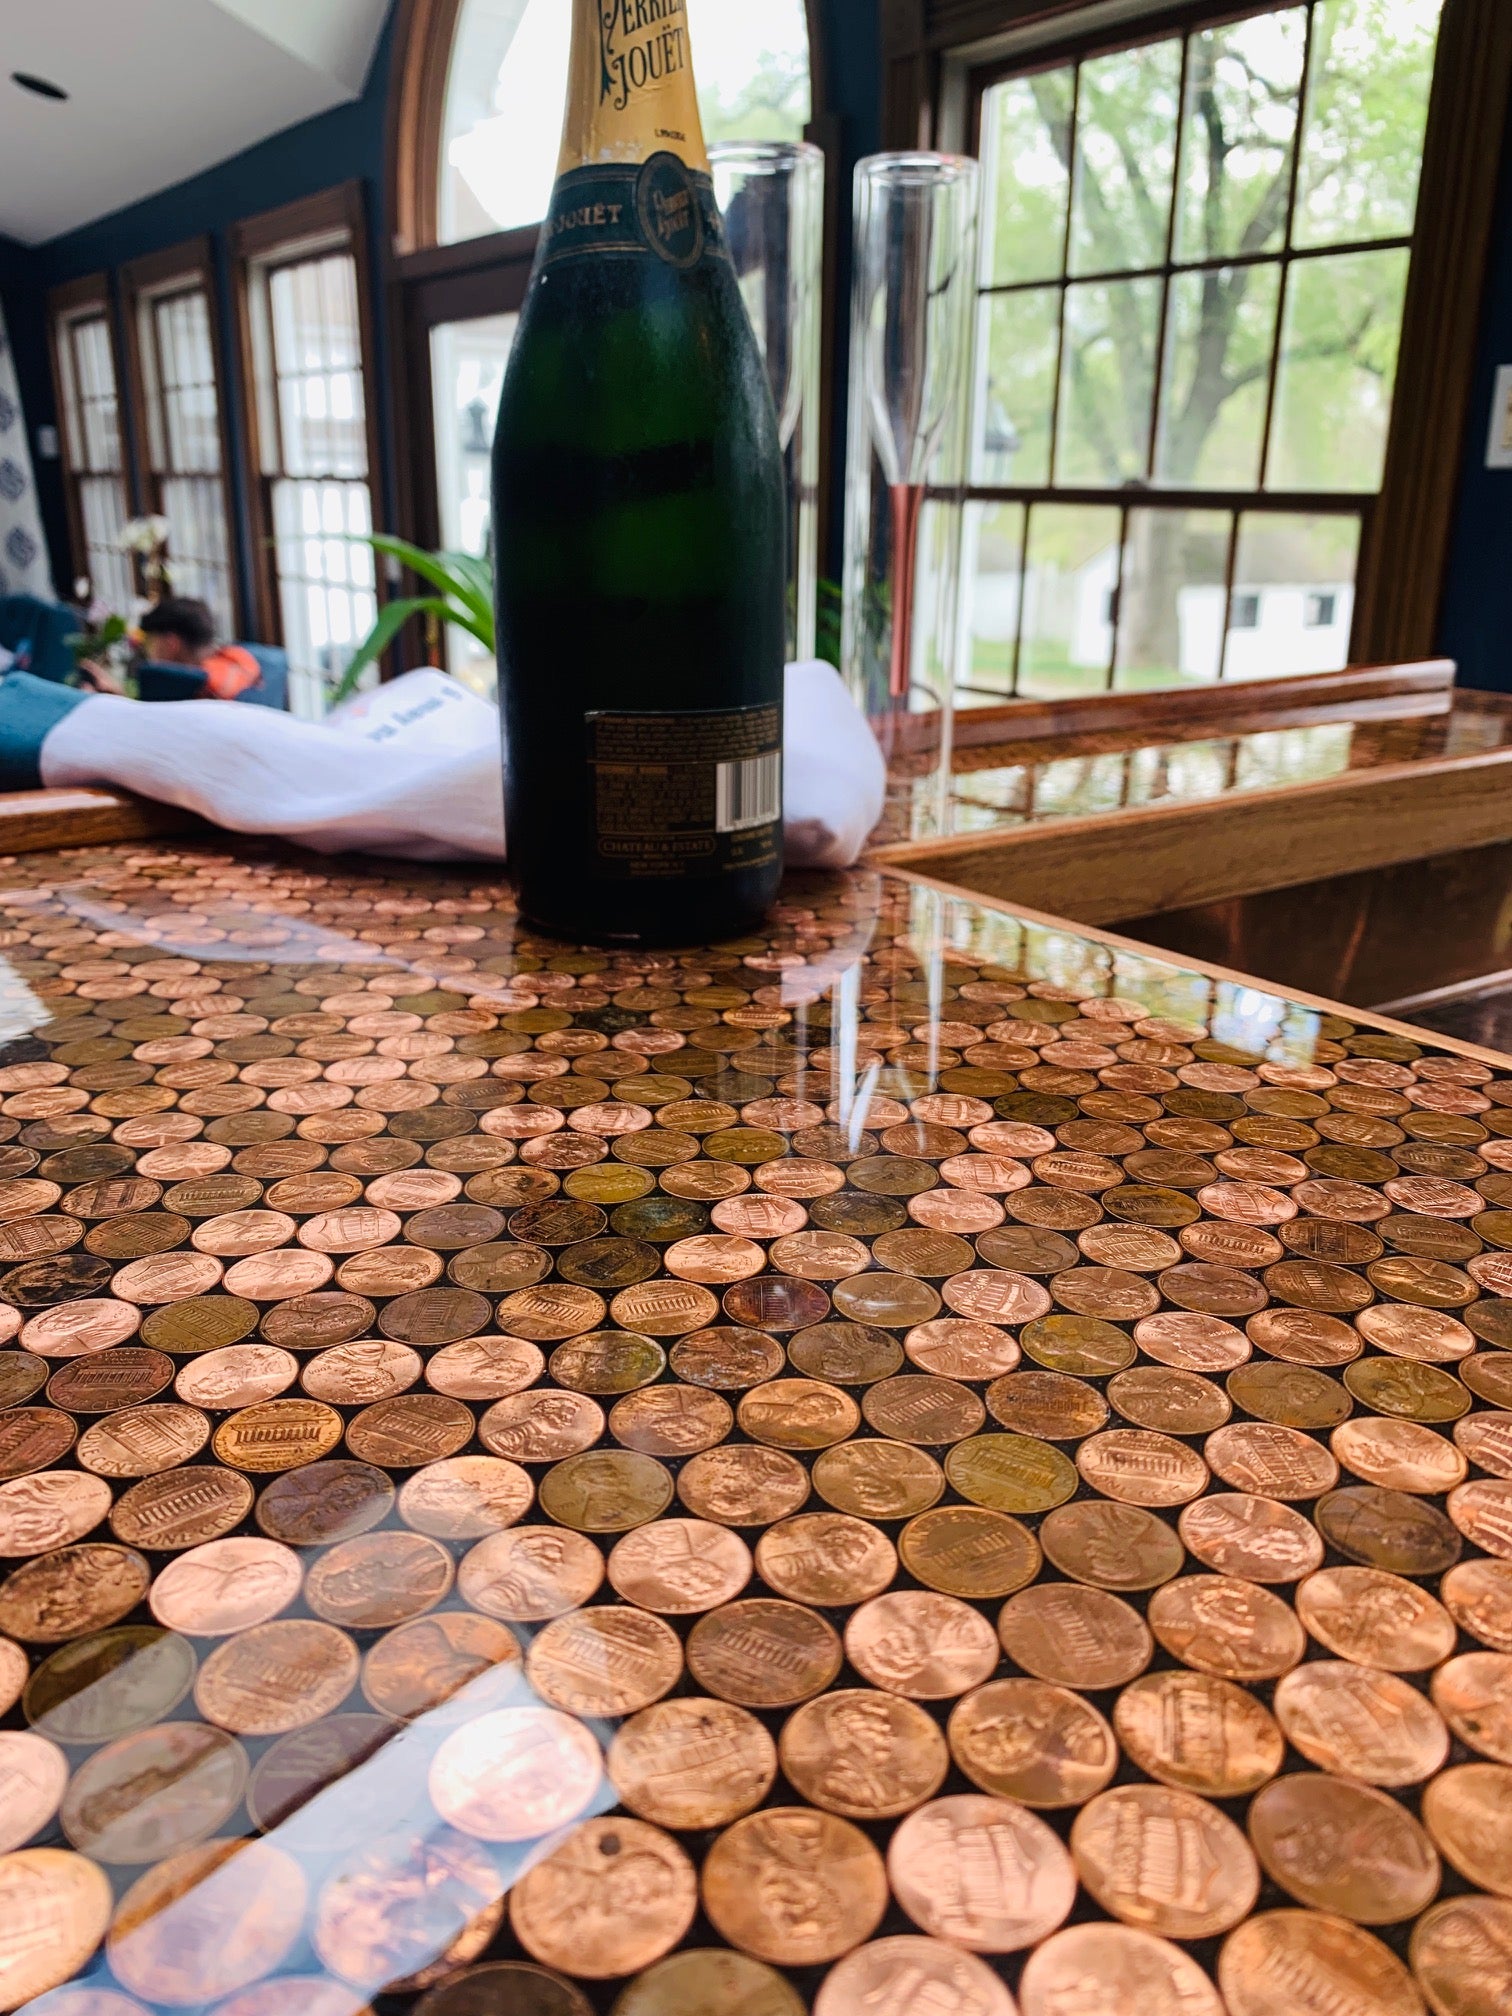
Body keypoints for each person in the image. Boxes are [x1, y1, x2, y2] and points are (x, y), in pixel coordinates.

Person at [78, 598, 262, 700]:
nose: (148, 652)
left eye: (150, 643)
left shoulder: (188, 683)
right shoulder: (241, 658)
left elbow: (151, 729)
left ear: (170, 643)